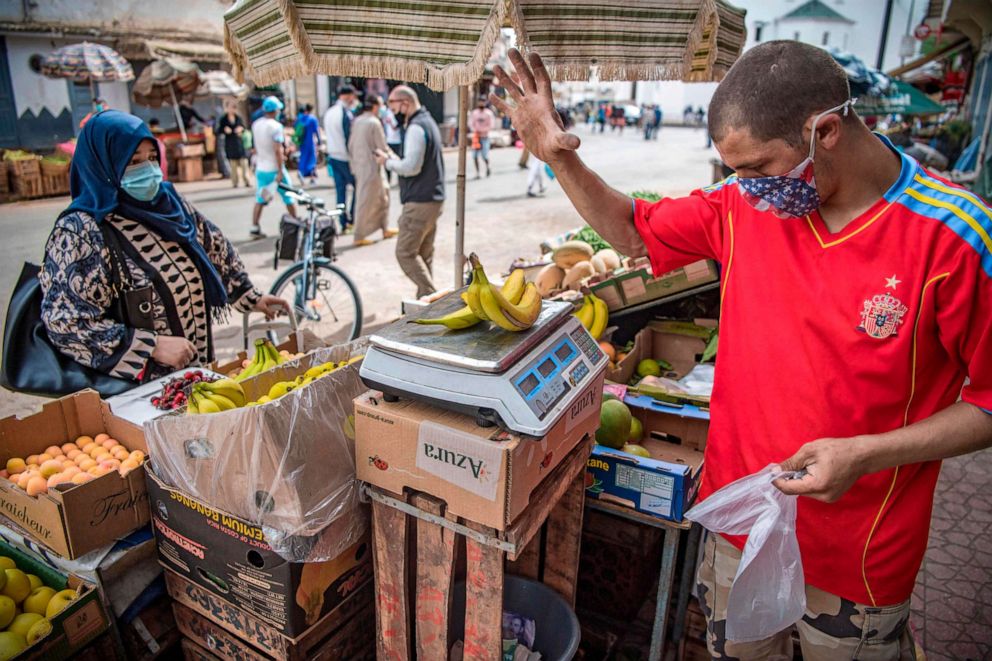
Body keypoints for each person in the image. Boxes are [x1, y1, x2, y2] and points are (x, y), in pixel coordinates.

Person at [492, 43, 992, 659]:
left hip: (858, 558)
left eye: (759, 167)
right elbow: (630, 228)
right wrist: (557, 158)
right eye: (735, 171)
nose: (747, 188)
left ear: (826, 131)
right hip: (739, 526)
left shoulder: (956, 240)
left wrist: (868, 453)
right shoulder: (741, 206)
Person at [39, 111, 287, 383]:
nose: (147, 169)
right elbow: (65, 322)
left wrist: (250, 296)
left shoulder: (169, 204)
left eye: (152, 158)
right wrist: (151, 346)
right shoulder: (81, 231)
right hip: (138, 392)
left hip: (197, 374)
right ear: (103, 164)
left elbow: (214, 247)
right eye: (133, 162)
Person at [375, 86, 445, 299]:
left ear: (404, 102)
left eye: (393, 105)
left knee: (405, 252)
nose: (391, 110)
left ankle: (433, 297)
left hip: (420, 202)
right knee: (424, 255)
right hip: (433, 199)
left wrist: (387, 162)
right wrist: (396, 159)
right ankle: (425, 301)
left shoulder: (416, 127)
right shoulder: (428, 121)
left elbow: (412, 167)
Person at [347, 95, 397, 247]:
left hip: (361, 166)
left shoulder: (358, 121)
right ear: (375, 106)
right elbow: (382, 146)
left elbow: (351, 145)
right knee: (366, 200)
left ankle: (385, 227)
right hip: (372, 167)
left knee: (383, 196)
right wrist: (396, 159)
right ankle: (359, 235)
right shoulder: (374, 122)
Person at [250, 96, 297, 239]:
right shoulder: (276, 127)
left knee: (260, 199)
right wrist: (280, 170)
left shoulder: (256, 124)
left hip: (261, 168)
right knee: (289, 197)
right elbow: (278, 150)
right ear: (276, 110)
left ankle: (254, 227)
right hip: (275, 169)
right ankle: (295, 224)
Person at [323, 85, 358, 230]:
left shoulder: (329, 112)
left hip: (333, 156)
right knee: (358, 187)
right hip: (345, 158)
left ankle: (343, 222)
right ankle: (352, 218)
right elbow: (348, 138)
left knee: (340, 191)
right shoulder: (345, 113)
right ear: (348, 96)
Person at [217, 102, 250, 188]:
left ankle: (247, 180)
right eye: (231, 108)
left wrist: (241, 129)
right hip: (230, 143)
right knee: (233, 165)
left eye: (234, 108)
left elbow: (243, 127)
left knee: (244, 163)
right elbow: (218, 130)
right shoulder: (223, 119)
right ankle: (235, 182)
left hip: (239, 142)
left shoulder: (238, 118)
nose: (232, 110)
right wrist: (225, 130)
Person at [295, 104, 321, 187]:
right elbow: (316, 130)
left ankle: (301, 172)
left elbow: (295, 128)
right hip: (310, 142)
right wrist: (319, 140)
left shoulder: (300, 118)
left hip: (302, 142)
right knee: (312, 160)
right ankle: (312, 179)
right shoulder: (312, 118)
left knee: (303, 158)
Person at [469, 98, 496, 178]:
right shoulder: (474, 113)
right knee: (474, 156)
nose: (481, 104)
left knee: (485, 156)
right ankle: (477, 173)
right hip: (476, 138)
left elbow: (491, 125)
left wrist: (482, 130)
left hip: (485, 137)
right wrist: (476, 130)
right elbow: (471, 124)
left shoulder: (488, 113)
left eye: (482, 103)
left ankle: (488, 167)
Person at [381, 106, 403, 184]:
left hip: (398, 141)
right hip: (388, 140)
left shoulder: (399, 113)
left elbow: (396, 127)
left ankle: (400, 180)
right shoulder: (386, 112)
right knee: (387, 160)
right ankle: (388, 180)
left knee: (399, 160)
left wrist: (390, 123)